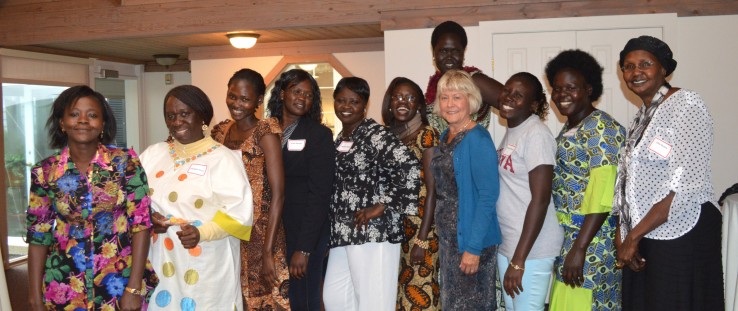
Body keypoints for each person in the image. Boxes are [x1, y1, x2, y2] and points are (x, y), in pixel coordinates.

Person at [613, 36, 724, 310]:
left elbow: (685, 184)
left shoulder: (686, 105)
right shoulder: (643, 116)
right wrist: (624, 231)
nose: (635, 72)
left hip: (682, 233)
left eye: (645, 64)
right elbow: (627, 181)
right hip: (646, 234)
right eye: (628, 66)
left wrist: (634, 236)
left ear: (664, 69)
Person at [26, 85, 157, 310]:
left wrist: (133, 288)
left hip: (118, 280)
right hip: (65, 285)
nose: (83, 120)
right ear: (62, 123)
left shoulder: (125, 163)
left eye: (93, 115)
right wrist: (34, 295)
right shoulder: (44, 171)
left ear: (103, 124)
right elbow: (39, 236)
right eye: (74, 114)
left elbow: (141, 225)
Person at [141, 85, 253, 310]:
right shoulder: (153, 154)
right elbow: (132, 202)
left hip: (206, 264)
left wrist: (201, 232)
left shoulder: (222, 159)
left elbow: (240, 214)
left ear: (202, 115)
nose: (176, 121)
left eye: (185, 114)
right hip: (160, 260)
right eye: (170, 116)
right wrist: (147, 219)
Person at [323, 77, 420, 311]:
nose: (346, 106)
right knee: (334, 299)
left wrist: (383, 205)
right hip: (344, 233)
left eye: (354, 102)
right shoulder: (341, 139)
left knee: (373, 304)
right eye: (341, 101)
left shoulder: (376, 135)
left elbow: (410, 167)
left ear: (365, 105)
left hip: (374, 233)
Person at [544, 50, 626, 310]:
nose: (561, 95)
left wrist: (580, 249)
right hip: (573, 237)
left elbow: (604, 195)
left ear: (589, 89)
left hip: (593, 241)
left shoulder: (601, 127)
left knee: (581, 303)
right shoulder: (571, 127)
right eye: (556, 89)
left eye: (571, 87)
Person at [210, 69, 290, 310]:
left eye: (244, 99)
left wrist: (268, 251)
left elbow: (279, 193)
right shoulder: (220, 133)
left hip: (261, 232)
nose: (237, 104)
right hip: (228, 228)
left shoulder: (266, 132)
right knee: (234, 298)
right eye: (232, 96)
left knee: (267, 300)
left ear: (258, 101)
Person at [429, 69, 501, 310]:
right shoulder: (446, 136)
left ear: (470, 101)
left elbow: (488, 197)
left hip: (471, 243)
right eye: (444, 97)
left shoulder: (478, 139)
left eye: (457, 97)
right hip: (450, 242)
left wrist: (473, 248)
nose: (449, 104)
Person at [266, 68, 335, 311]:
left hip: (306, 231)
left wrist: (304, 248)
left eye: (308, 95)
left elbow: (320, 194)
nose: (302, 98)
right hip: (274, 228)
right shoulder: (266, 131)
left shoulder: (319, 135)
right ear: (282, 93)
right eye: (297, 92)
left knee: (305, 298)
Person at [495, 72, 564, 310]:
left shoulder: (536, 134)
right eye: (506, 90)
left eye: (518, 95)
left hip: (531, 250)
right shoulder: (515, 128)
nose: (509, 97)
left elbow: (541, 199)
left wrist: (519, 260)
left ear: (533, 104)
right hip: (510, 243)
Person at [381, 77, 441, 311]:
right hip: (394, 230)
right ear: (390, 102)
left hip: (420, 228)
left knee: (419, 292)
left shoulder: (427, 135)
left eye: (410, 98)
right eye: (398, 97)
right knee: (397, 295)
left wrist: (422, 239)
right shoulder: (386, 136)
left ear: (419, 105)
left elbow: (433, 189)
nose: (403, 102)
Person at [425, 20, 504, 133]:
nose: (449, 57)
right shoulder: (434, 86)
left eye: (455, 51)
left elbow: (515, 105)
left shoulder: (475, 81)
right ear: (434, 53)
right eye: (443, 51)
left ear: (463, 53)